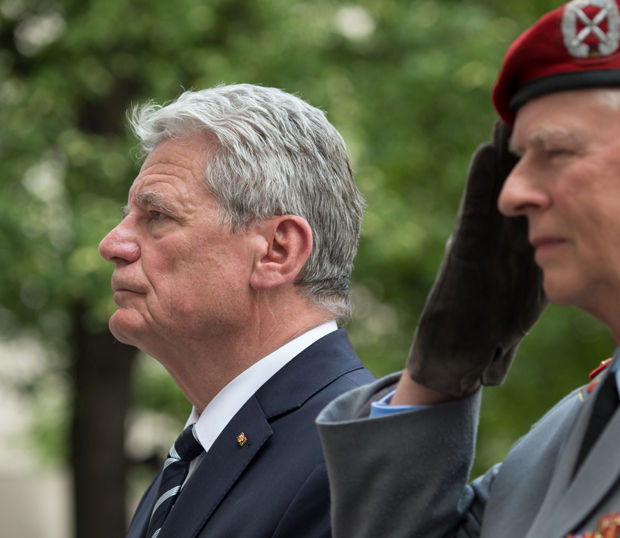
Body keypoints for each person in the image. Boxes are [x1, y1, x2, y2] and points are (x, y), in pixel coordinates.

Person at [316, 0, 620, 537]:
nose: (511, 194)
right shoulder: (572, 434)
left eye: (556, 152)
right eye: (519, 157)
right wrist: (440, 371)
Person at [98, 83, 375, 538]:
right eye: (127, 216)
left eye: (157, 216)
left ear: (277, 250)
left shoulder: (354, 457)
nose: (113, 244)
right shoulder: (197, 457)